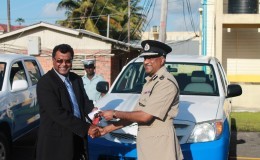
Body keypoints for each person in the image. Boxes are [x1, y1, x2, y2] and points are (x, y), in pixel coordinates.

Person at [98, 40, 183, 160]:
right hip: (148, 144)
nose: (146, 62)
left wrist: (114, 113)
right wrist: (106, 129)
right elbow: (135, 115)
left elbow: (145, 116)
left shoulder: (165, 83)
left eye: (151, 58)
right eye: (145, 58)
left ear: (162, 60)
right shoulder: (150, 81)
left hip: (160, 147)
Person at [36, 44, 100, 160]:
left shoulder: (76, 79)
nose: (64, 65)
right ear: (53, 60)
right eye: (59, 61)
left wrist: (94, 112)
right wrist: (86, 127)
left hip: (77, 137)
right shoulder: (45, 83)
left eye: (67, 61)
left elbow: (84, 102)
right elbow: (57, 113)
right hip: (56, 144)